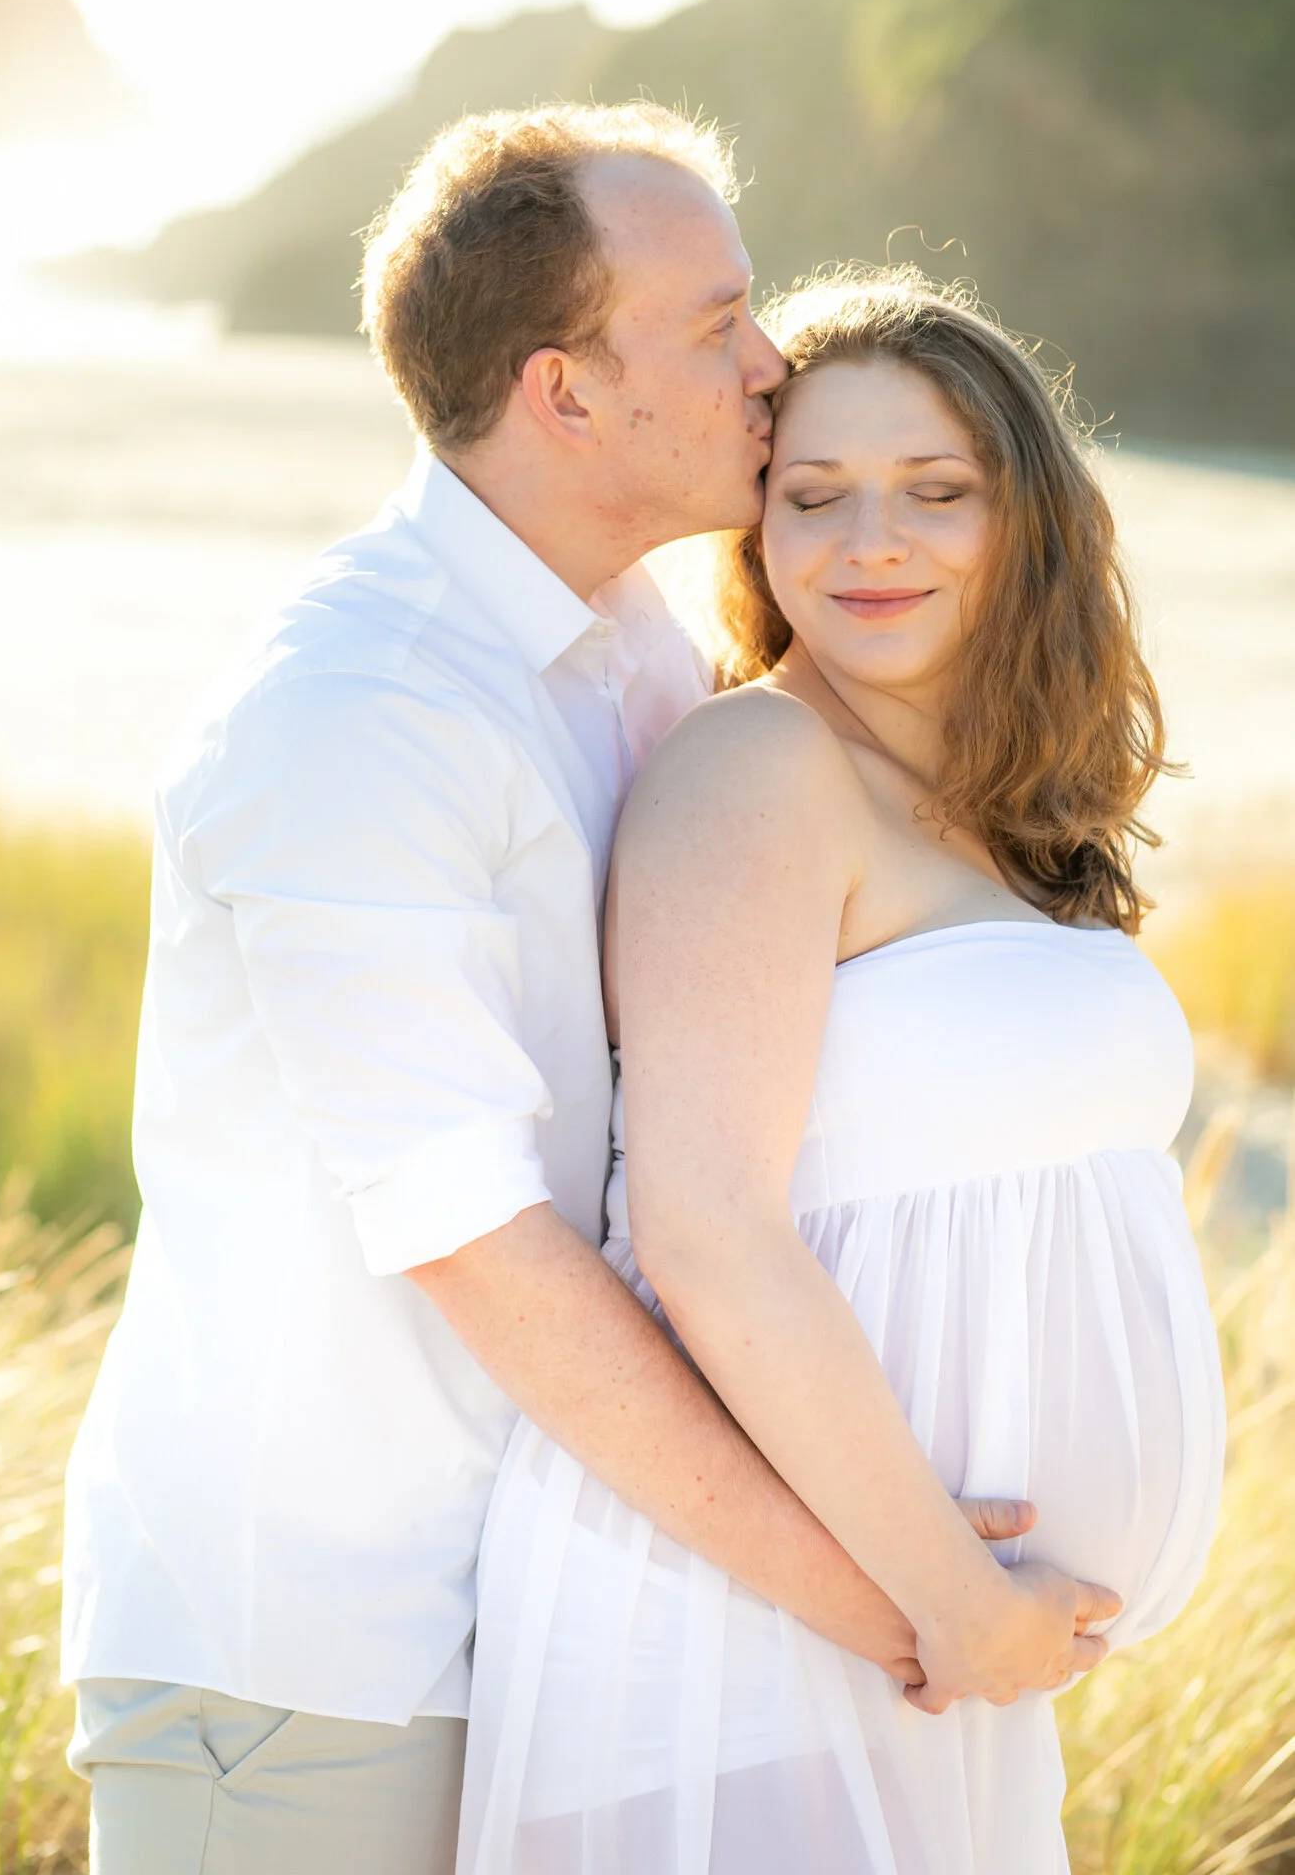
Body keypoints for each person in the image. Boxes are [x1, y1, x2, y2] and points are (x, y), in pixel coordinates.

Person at [59, 108, 1109, 1875]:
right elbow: (491, 1253)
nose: (770, 363)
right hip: (321, 1663)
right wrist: (902, 1601)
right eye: (717, 324)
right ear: (565, 393)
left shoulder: (628, 642)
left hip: (563, 1615)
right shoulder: (357, 718)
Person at [456, 268, 1227, 1873]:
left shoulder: (1004, 814)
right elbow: (707, 1232)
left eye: (934, 491)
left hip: (938, 1646)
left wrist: (976, 1622)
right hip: (757, 1633)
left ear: (1033, 522)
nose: (869, 539)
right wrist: (953, 1604)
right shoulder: (760, 768)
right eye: (813, 495)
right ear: (758, 532)